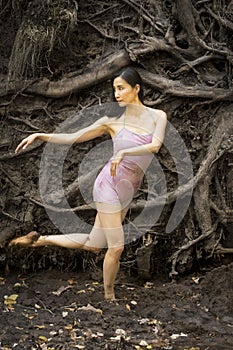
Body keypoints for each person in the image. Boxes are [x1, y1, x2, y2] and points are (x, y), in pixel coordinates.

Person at [10, 67, 167, 301]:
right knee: (116, 247)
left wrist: (124, 153)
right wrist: (42, 136)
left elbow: (155, 146)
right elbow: (74, 137)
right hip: (108, 186)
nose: (117, 94)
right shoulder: (112, 122)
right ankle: (109, 297)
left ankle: (40, 240)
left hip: (128, 190)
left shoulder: (158, 116)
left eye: (121, 88)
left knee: (94, 243)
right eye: (114, 89)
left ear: (136, 89)